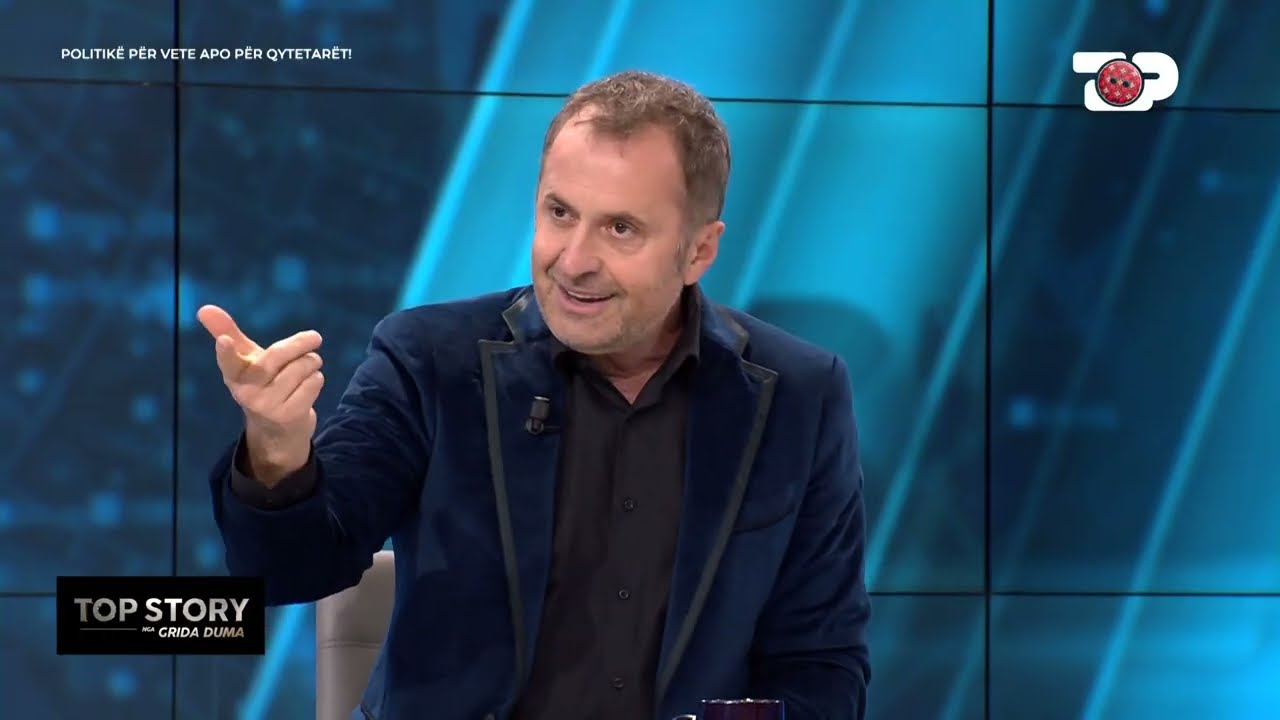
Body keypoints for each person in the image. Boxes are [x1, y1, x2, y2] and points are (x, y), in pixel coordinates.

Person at [198, 70, 871, 720]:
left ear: (698, 251)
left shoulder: (798, 398)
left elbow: (822, 664)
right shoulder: (431, 359)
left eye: (620, 228)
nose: (573, 261)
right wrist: (277, 452)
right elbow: (293, 569)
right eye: (559, 212)